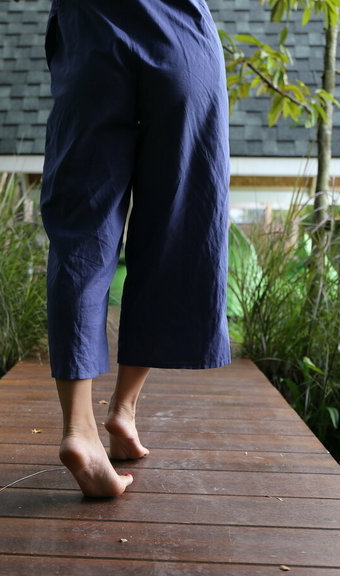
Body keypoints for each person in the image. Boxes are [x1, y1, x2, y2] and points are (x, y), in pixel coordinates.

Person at [40, 0, 231, 497]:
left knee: (80, 237)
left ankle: (80, 429)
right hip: (182, 44)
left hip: (90, 39)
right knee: (175, 231)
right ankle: (122, 410)